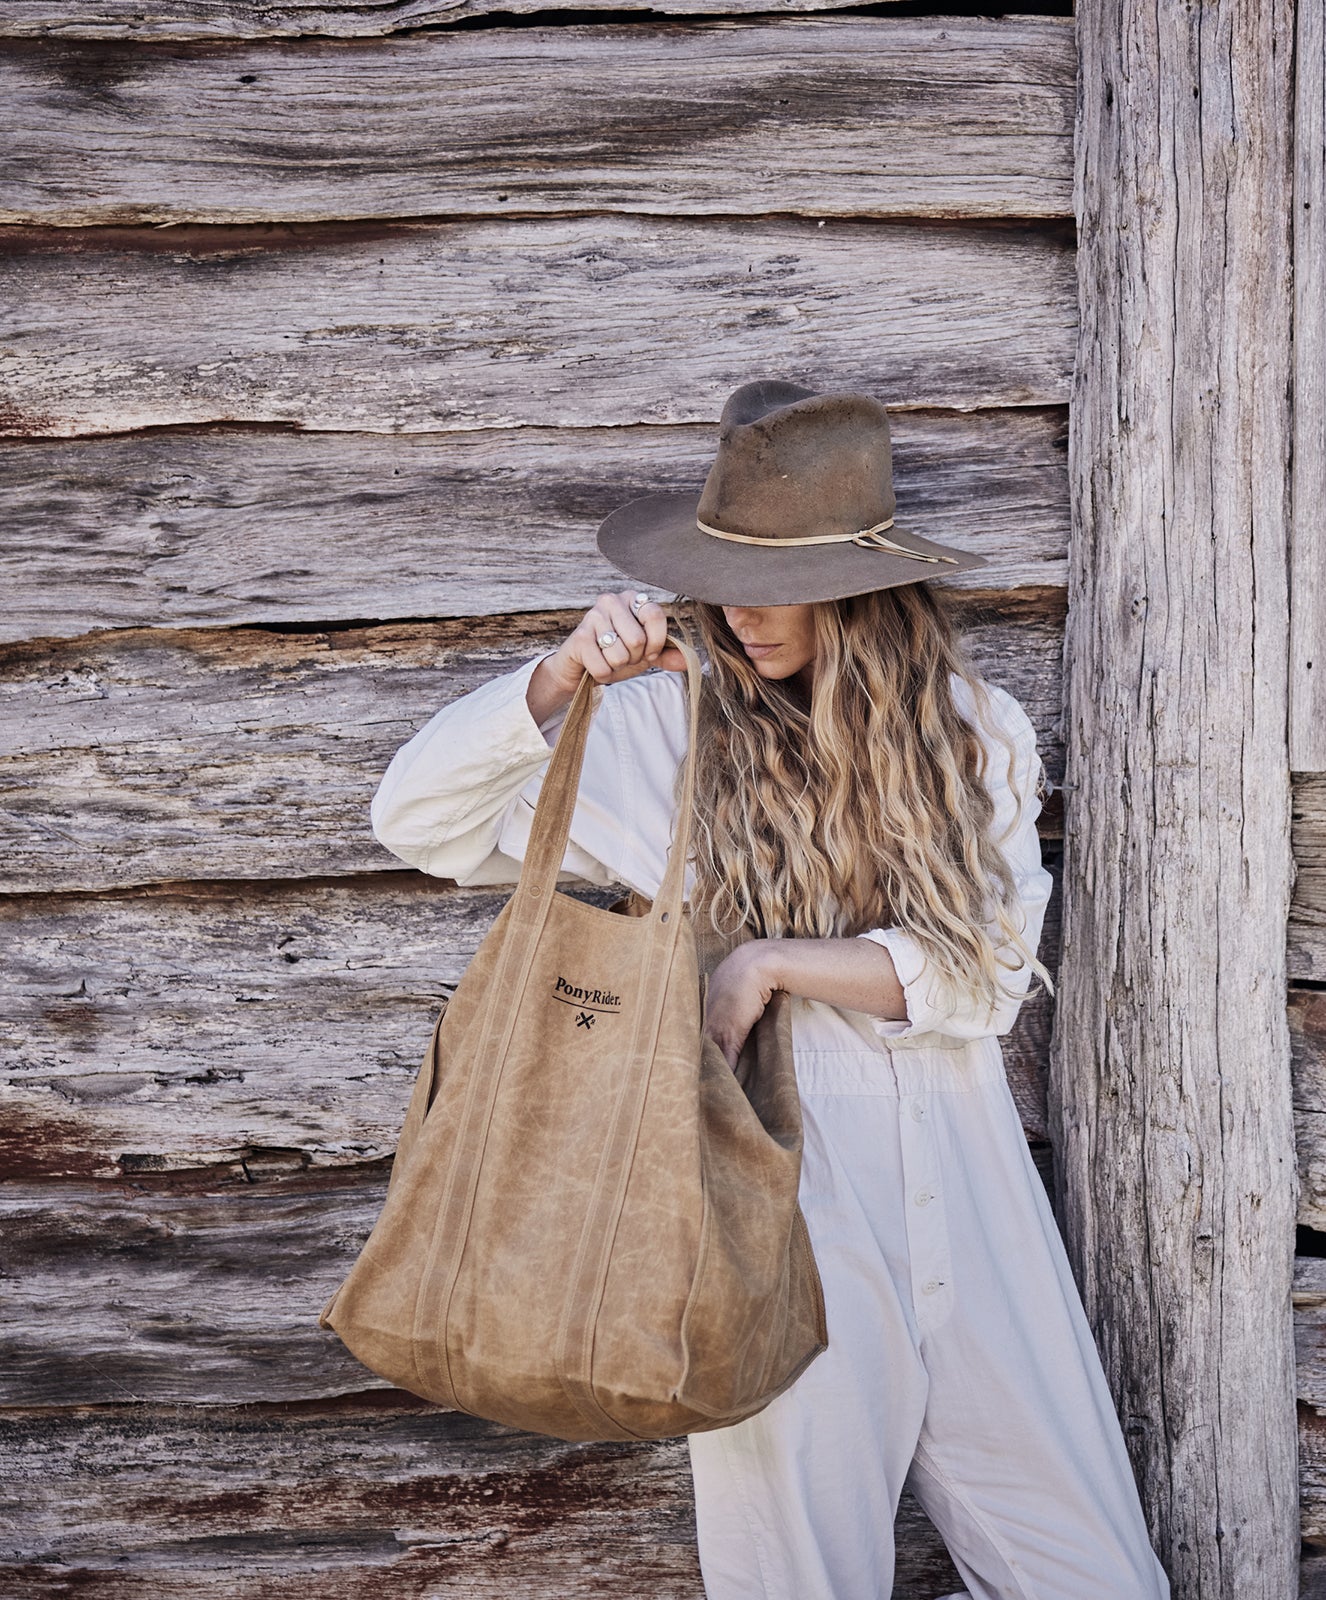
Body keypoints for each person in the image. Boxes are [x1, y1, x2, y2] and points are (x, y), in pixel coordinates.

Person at [369, 382, 1171, 1600]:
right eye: (723, 572)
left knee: (1096, 1576)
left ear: (863, 584)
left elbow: (988, 975)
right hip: (769, 1207)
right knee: (797, 1577)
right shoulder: (658, 734)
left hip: (974, 1191)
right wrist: (555, 679)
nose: (742, 611)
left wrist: (767, 962)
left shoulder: (976, 733)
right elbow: (417, 819)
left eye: (779, 580)